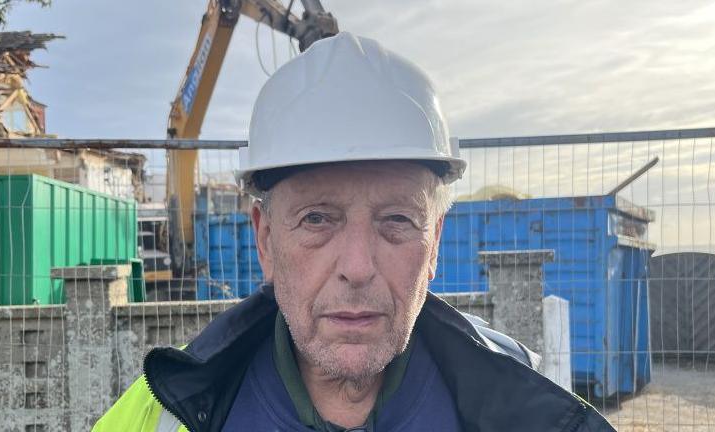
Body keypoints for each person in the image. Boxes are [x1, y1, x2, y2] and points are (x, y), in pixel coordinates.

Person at [94, 31, 614, 432]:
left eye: (396, 221)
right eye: (317, 219)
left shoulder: (531, 405)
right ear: (266, 239)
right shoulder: (161, 413)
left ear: (433, 243)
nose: (358, 268)